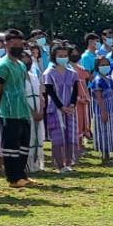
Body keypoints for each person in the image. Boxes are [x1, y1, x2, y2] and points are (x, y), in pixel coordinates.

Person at [0, 32, 33, 189]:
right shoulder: (2, 65)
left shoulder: (21, 65)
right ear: (6, 44)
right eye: (14, 44)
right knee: (11, 147)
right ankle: (13, 178)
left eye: (20, 45)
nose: (18, 47)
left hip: (22, 110)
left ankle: (21, 174)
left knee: (23, 145)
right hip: (8, 111)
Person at [44, 44, 80, 172]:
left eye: (65, 55)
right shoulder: (49, 73)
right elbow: (50, 91)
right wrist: (61, 106)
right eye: (60, 55)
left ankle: (69, 163)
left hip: (70, 109)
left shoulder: (72, 73)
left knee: (70, 136)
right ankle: (60, 164)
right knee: (58, 137)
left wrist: (72, 104)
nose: (63, 58)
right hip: (55, 109)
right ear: (54, 56)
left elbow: (75, 90)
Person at [23, 45, 46, 175]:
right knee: (29, 135)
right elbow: (22, 96)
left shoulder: (33, 76)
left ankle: (37, 163)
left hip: (37, 106)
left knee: (38, 135)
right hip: (27, 109)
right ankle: (27, 164)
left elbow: (41, 93)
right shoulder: (19, 77)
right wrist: (32, 112)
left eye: (28, 58)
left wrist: (41, 110)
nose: (26, 60)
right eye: (23, 58)